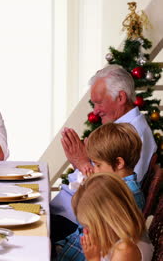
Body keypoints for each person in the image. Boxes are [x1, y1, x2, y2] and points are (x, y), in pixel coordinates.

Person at [50, 65, 157, 236]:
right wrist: (81, 163)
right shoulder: (122, 128)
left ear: (121, 97)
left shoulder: (134, 133)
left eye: (99, 102)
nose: (95, 111)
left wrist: (83, 163)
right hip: (72, 214)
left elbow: (116, 191)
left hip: (80, 222)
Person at [55, 123, 146, 260]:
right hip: (72, 248)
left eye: (98, 165)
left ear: (119, 163)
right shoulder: (113, 185)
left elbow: (99, 233)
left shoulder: (126, 195)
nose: (95, 169)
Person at [75, 173, 153, 261]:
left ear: (109, 219)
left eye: (90, 225)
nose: (86, 230)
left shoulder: (125, 251)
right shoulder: (121, 235)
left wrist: (93, 258)